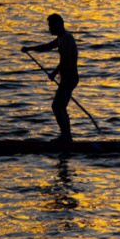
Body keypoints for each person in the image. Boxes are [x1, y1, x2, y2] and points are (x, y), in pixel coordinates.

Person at [23, 13, 79, 145]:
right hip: (67, 79)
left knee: (57, 106)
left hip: (69, 79)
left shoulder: (66, 39)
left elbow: (65, 61)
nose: (49, 29)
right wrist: (29, 48)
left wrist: (54, 73)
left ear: (58, 25)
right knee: (60, 107)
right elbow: (46, 47)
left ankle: (66, 137)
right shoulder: (61, 38)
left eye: (50, 26)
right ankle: (66, 136)